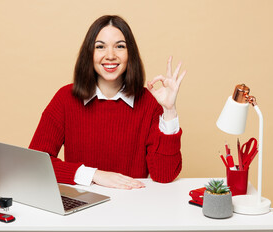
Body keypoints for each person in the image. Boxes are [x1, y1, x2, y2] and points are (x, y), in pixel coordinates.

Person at [29, 15, 186, 190]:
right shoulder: (65, 98)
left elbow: (164, 175)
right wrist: (95, 175)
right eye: (100, 47)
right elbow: (36, 164)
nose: (110, 56)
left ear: (130, 54)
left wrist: (169, 110)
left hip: (134, 205)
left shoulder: (149, 102)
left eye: (120, 46)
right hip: (81, 206)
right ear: (89, 53)